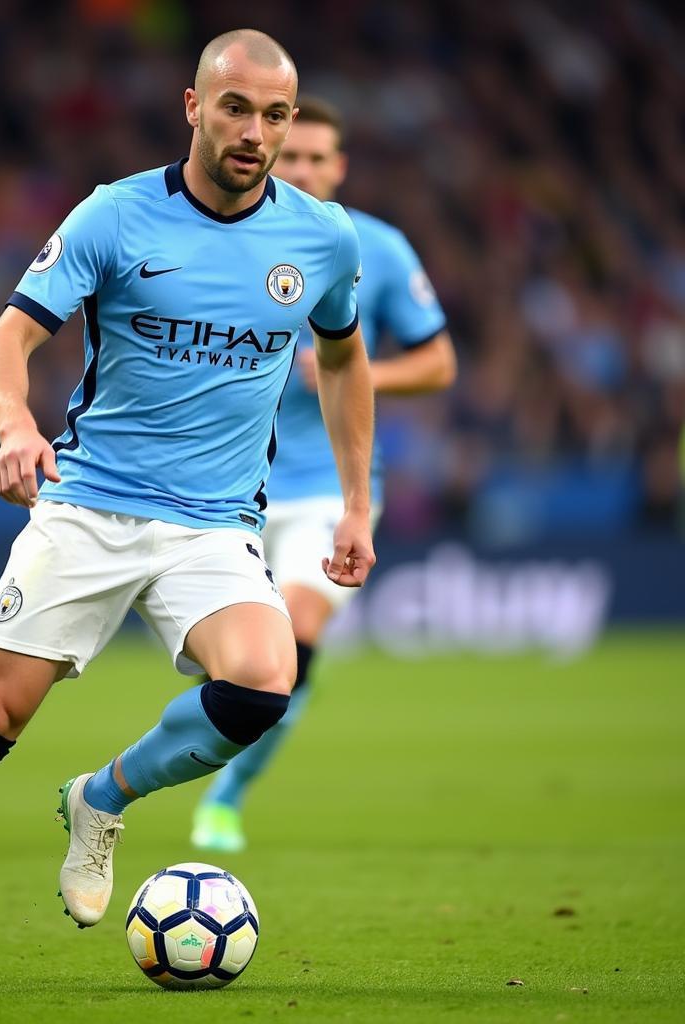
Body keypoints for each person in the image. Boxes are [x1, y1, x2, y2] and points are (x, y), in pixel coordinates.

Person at [0, 31, 376, 991]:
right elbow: (6, 338)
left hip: (214, 524)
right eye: (235, 107)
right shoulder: (115, 217)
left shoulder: (322, 237)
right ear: (192, 106)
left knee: (262, 686)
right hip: (93, 509)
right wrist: (15, 425)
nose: (256, 132)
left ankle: (101, 798)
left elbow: (346, 361)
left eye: (275, 115)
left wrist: (357, 501)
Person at [191, 95, 456, 853]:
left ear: (338, 167)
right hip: (224, 487)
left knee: (293, 639)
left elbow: (439, 362)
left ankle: (226, 795)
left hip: (322, 490)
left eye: (315, 158)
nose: (301, 168)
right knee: (241, 667)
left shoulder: (373, 247)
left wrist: (345, 368)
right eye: (291, 155)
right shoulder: (225, 236)